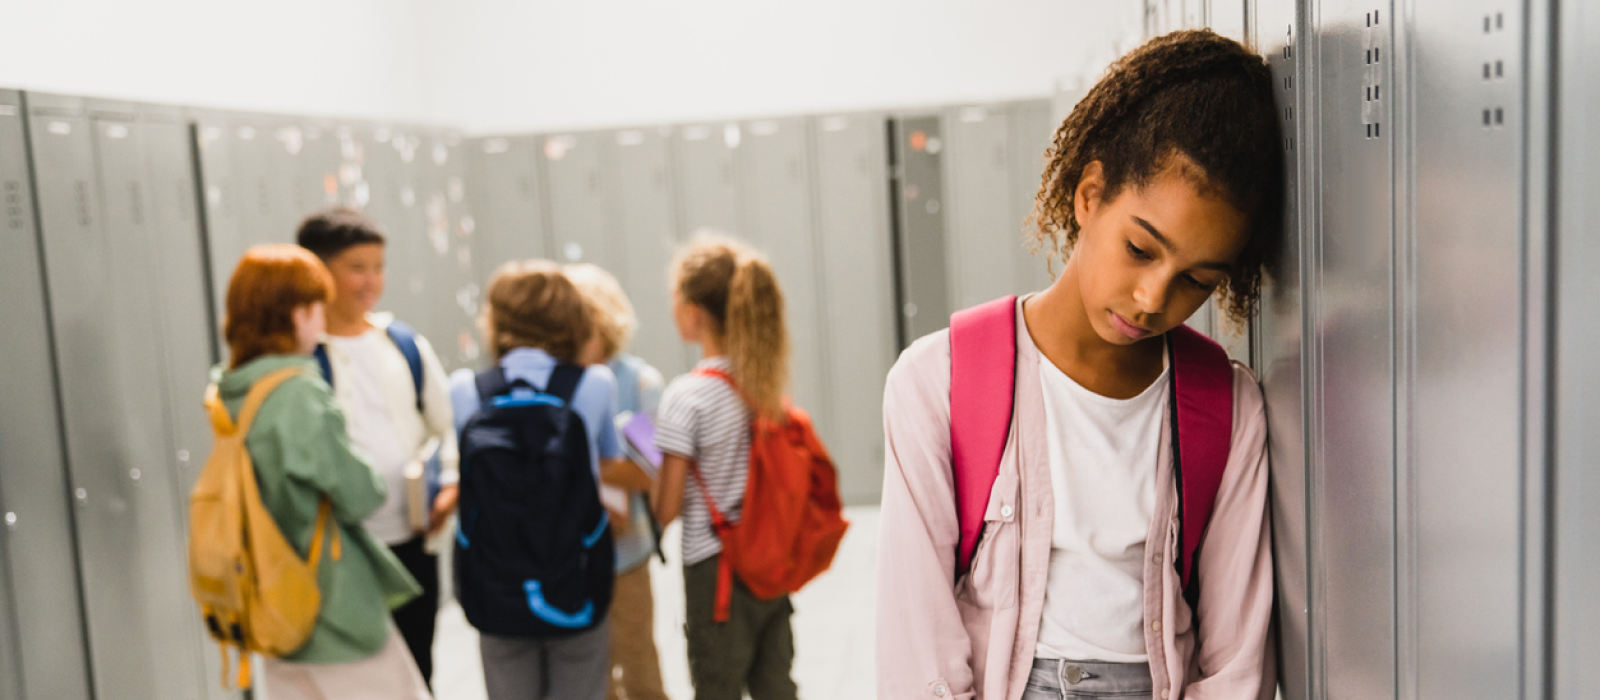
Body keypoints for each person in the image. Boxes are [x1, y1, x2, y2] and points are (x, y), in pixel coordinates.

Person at [875, 30, 1283, 700]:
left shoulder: (1229, 410)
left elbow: (1236, 665)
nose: (1153, 299)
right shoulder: (937, 383)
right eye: (1140, 248)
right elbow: (915, 645)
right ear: (1089, 194)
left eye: (1196, 280)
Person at [214, 244, 429, 699]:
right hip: (331, 600)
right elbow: (363, 493)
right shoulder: (300, 394)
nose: (322, 317)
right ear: (292, 314)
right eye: (315, 306)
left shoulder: (233, 391)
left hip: (271, 591)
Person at [296, 207, 460, 687]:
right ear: (319, 270)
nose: (371, 281)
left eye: (378, 267)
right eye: (356, 268)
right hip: (340, 550)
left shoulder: (402, 344)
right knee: (351, 679)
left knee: (414, 669)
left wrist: (449, 485)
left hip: (411, 542)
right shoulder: (303, 355)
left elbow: (445, 427)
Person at [449, 260, 626, 700]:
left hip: (494, 579)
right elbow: (609, 463)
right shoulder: (596, 383)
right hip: (575, 575)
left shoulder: (465, 390)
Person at [651, 235, 798, 700]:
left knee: (718, 687)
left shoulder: (686, 396)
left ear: (693, 312)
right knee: (775, 683)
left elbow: (667, 509)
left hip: (715, 570)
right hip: (769, 561)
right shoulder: (762, 381)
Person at [565, 262, 670, 700]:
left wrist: (585, 464)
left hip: (627, 557)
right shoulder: (558, 383)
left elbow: (653, 473)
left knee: (639, 664)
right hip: (572, 558)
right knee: (592, 677)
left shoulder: (640, 382)